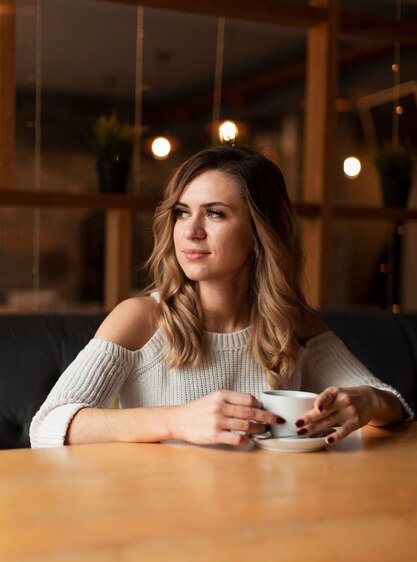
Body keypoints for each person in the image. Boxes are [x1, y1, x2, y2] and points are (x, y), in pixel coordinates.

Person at [30, 145, 412, 449]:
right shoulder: (141, 318)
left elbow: (391, 404)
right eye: (182, 212)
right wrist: (179, 419)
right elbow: (47, 426)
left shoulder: (291, 321)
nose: (191, 231)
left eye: (214, 214)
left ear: (260, 234)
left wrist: (367, 401)